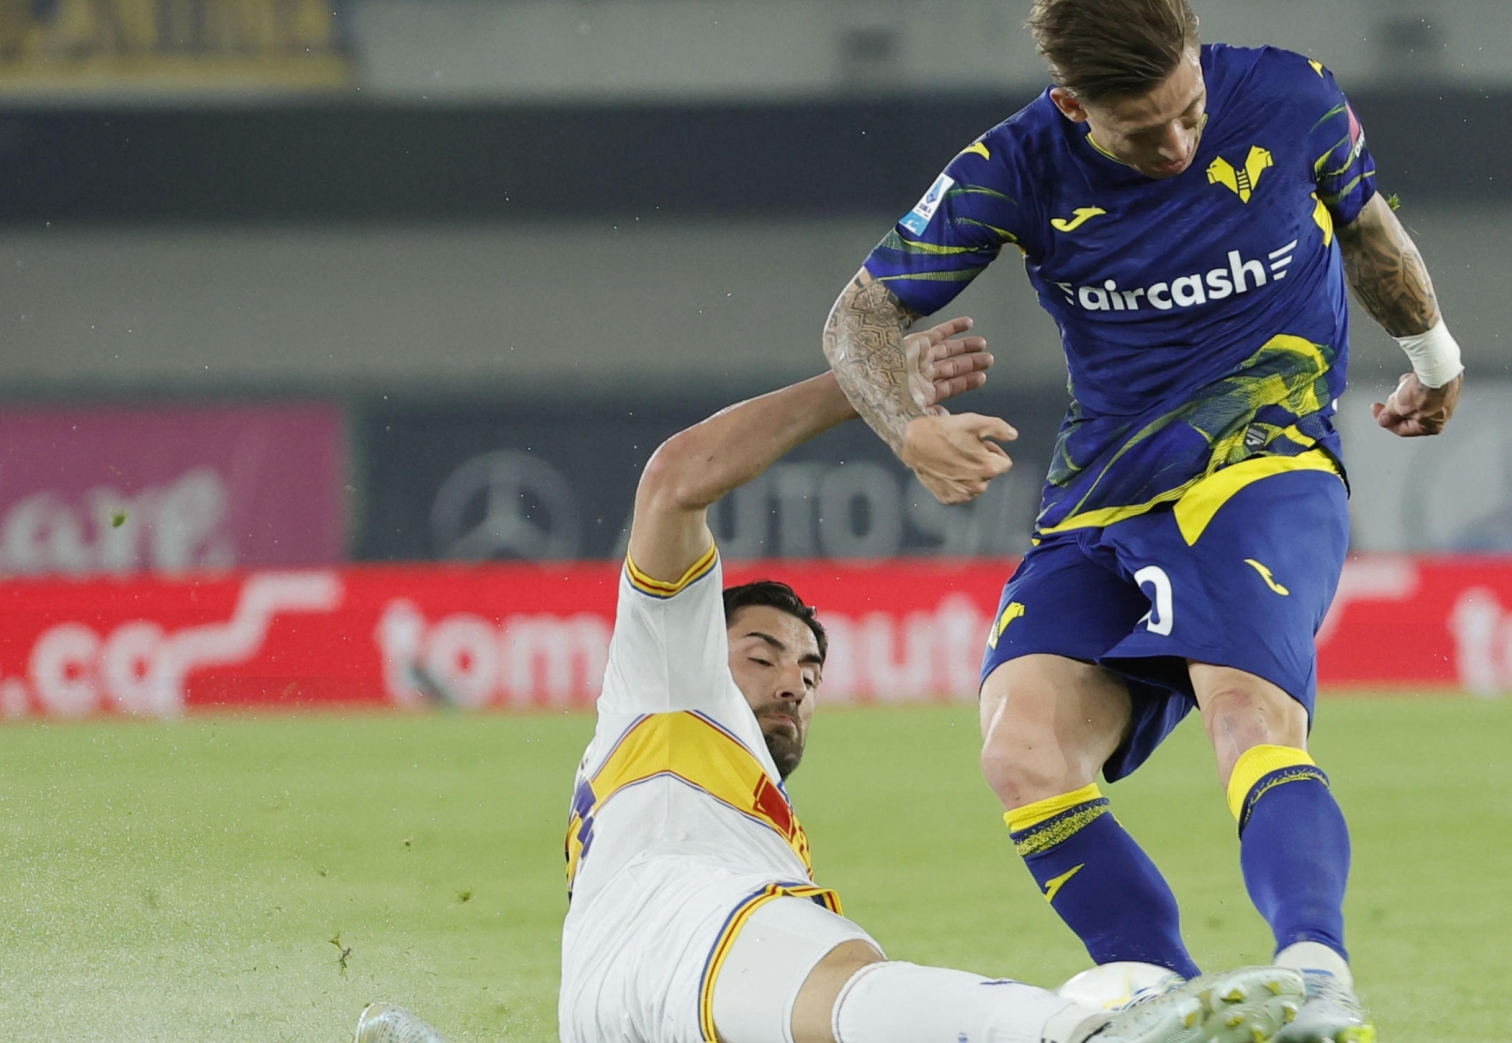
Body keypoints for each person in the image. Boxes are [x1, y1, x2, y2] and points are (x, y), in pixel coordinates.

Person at [821, 0, 1467, 1043]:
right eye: (1140, 132)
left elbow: (1369, 231)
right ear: (1073, 106)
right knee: (1019, 749)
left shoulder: (1290, 94)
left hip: (1266, 467)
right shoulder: (1015, 166)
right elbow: (859, 320)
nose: (1175, 145)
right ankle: (1174, 1004)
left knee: (1245, 704)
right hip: (1103, 497)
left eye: (1187, 112)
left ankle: (1316, 979)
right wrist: (911, 426)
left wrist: (1437, 360)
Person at [357, 316, 1312, 1043]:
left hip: (600, 992)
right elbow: (674, 477)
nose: (789, 681)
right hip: (687, 920)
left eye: (808, 670)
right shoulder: (667, 679)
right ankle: (1081, 1027)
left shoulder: (746, 807)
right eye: (762, 652)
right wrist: (868, 384)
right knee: (848, 985)